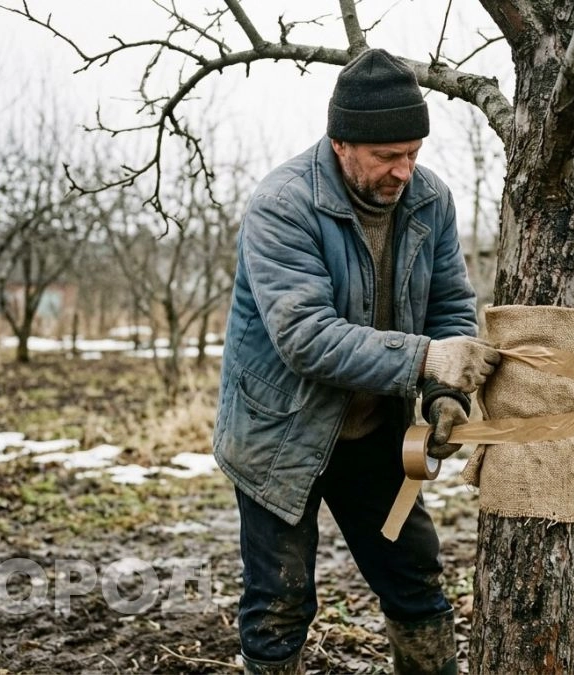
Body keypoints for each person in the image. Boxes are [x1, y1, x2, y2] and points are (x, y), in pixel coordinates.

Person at [213, 48, 500, 674]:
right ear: (342, 143)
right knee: (280, 601)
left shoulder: (429, 200)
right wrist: (427, 359)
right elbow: (307, 337)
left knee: (415, 578)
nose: (404, 170)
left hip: (374, 432)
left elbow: (450, 303)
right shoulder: (283, 204)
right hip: (279, 436)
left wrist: (445, 396)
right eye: (387, 156)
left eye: (413, 153)